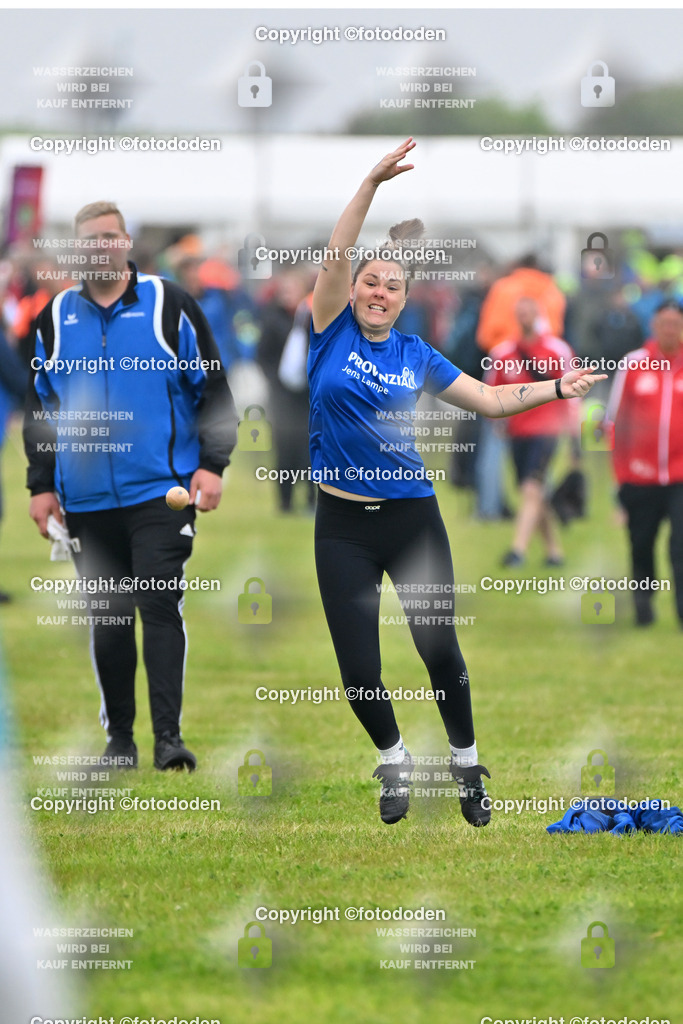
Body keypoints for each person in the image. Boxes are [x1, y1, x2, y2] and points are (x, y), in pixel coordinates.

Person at [309, 138, 605, 826]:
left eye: (391, 286)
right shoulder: (329, 332)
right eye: (369, 282)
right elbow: (335, 250)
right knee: (358, 670)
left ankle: (466, 764)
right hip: (342, 527)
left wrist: (556, 386)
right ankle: (392, 758)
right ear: (351, 289)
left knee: (438, 648)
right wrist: (369, 185)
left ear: (405, 298)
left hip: (411, 520)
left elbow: (494, 401)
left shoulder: (416, 354)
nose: (377, 292)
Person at [23, 201, 237, 770]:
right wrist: (39, 485)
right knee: (109, 620)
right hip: (85, 501)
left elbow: (213, 392)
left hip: (160, 493)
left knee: (159, 606)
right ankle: (120, 742)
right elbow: (40, 408)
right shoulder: (55, 317)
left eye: (108, 237)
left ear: (126, 243)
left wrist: (213, 464)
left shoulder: (172, 306)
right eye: (88, 239)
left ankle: (169, 739)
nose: (99, 246)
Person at [485, 296, 578, 567]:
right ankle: (554, 552)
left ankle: (517, 551)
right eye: (520, 313)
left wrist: (575, 438)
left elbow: (573, 392)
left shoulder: (556, 349)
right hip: (516, 431)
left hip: (547, 430)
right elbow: (490, 393)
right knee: (533, 494)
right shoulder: (502, 353)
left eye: (530, 313)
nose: (525, 318)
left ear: (538, 315)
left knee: (530, 488)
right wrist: (496, 422)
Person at [607, 299, 683, 626]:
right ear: (653, 325)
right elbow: (613, 422)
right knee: (641, 544)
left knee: (680, 546)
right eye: (664, 322)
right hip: (639, 476)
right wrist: (621, 474)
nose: (669, 329)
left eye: (675, 323)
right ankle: (643, 607)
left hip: (680, 476)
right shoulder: (634, 364)